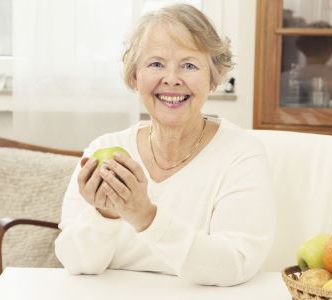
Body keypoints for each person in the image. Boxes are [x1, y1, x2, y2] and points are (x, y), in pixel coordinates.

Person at [54, 4, 275, 287]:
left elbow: (233, 264)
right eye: (156, 63)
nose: (171, 79)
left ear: (214, 78)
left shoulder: (241, 154)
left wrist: (145, 216)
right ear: (135, 76)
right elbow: (74, 263)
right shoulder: (105, 148)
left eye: (189, 65)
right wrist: (104, 213)